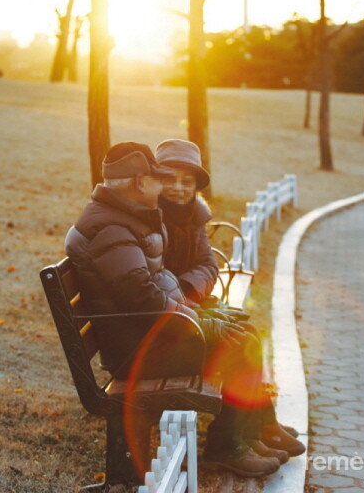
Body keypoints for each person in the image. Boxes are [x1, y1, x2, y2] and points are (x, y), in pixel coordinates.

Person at [65, 141, 282, 479]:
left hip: (144, 337)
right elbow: (145, 298)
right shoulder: (112, 228)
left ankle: (243, 440)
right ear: (140, 182)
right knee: (240, 346)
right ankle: (227, 449)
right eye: (158, 179)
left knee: (241, 338)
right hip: (137, 352)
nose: (165, 187)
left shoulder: (123, 219)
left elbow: (156, 286)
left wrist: (202, 316)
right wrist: (201, 324)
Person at [156, 139, 305, 460]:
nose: (178, 188)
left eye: (187, 181)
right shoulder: (151, 220)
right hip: (169, 323)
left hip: (184, 309)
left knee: (249, 334)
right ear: (156, 180)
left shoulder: (194, 215)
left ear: (196, 186)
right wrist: (183, 296)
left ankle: (261, 424)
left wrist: (185, 289)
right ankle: (229, 443)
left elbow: (208, 265)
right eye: (170, 179)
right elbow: (155, 285)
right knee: (238, 343)